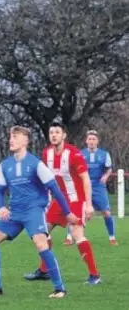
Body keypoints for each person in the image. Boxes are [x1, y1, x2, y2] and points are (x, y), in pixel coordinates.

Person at [0, 126, 78, 298]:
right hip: (14, 213)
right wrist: (1, 207)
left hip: (33, 211)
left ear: (25, 141)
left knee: (41, 245)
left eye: (15, 136)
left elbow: (55, 189)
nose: (11, 140)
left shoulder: (36, 164)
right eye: (10, 137)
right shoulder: (5, 165)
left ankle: (60, 289)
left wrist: (67, 212)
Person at [24, 122, 101, 285]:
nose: (54, 135)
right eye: (51, 132)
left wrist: (88, 204)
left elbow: (86, 179)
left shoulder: (74, 154)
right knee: (41, 231)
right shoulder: (46, 153)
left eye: (57, 132)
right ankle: (44, 270)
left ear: (64, 135)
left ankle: (94, 275)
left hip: (75, 200)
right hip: (59, 200)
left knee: (76, 234)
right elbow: (46, 179)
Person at [64, 130, 116, 245]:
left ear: (97, 141)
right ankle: (69, 237)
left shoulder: (104, 154)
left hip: (98, 186)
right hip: (83, 186)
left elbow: (109, 168)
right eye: (89, 139)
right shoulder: (80, 154)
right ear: (86, 141)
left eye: (94, 139)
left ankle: (112, 237)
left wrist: (105, 176)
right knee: (78, 212)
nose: (91, 141)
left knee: (106, 212)